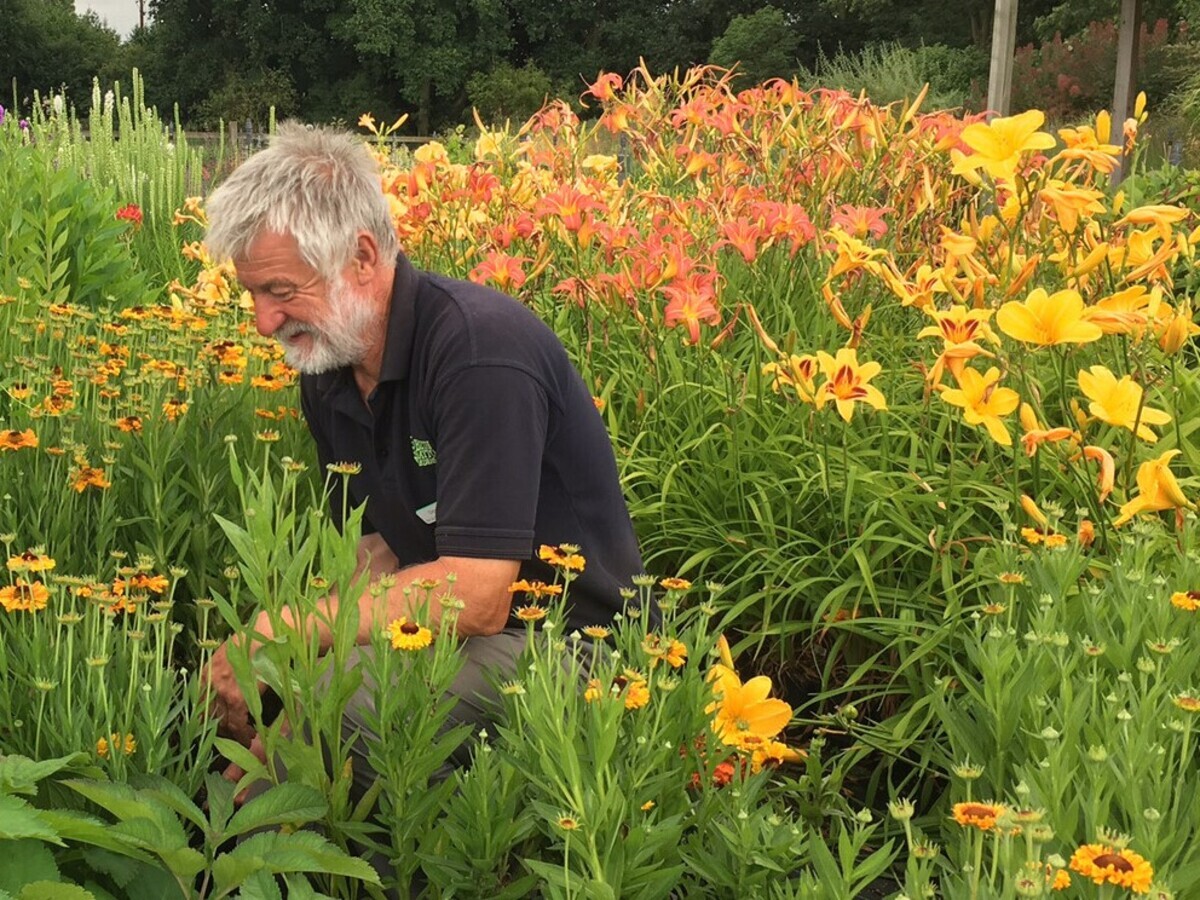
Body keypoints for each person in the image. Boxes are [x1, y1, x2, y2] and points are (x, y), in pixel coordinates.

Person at [200, 123, 644, 792]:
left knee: (341, 714)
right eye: (253, 294)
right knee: (261, 694)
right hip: (448, 629)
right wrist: (281, 672)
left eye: (281, 291)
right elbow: (376, 552)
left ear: (362, 256)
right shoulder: (330, 367)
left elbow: (478, 596)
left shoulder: (476, 352)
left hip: (570, 640)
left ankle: (265, 850)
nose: (264, 321)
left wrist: (283, 636)